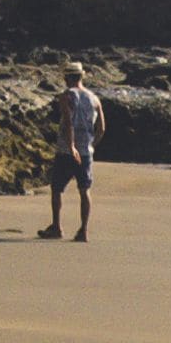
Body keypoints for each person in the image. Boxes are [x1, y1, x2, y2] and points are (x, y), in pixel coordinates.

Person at [40, 62, 102, 241]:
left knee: (57, 188)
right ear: (82, 76)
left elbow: (68, 122)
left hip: (66, 150)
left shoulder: (66, 96)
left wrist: (71, 145)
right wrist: (91, 145)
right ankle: (83, 230)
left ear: (67, 77)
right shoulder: (94, 98)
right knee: (84, 190)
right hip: (86, 152)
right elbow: (102, 128)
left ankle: (57, 227)